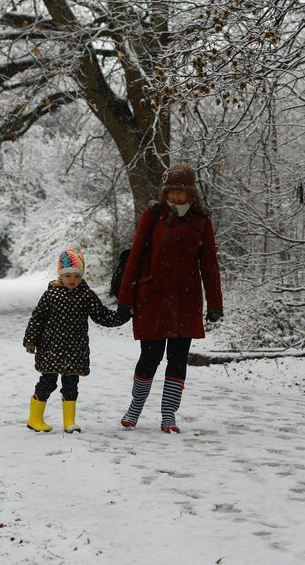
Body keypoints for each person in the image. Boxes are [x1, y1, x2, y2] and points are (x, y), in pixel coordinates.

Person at [116, 164, 223, 433]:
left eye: (181, 192)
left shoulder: (201, 220)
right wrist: (126, 299)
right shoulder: (153, 216)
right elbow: (136, 257)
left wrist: (215, 304)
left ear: (191, 193)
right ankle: (135, 407)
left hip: (186, 304)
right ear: (166, 192)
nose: (176, 196)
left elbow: (210, 264)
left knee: (177, 360)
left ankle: (168, 415)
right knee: (149, 357)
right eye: (172, 191)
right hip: (152, 300)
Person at [24, 248, 131, 433]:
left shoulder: (86, 295)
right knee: (47, 383)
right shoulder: (51, 295)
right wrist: (31, 341)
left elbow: (102, 316)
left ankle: (69, 422)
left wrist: (123, 315)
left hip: (75, 350)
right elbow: (37, 318)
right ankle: (35, 418)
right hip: (51, 348)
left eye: (77, 276)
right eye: (68, 276)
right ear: (60, 275)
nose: (72, 280)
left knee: (71, 386)